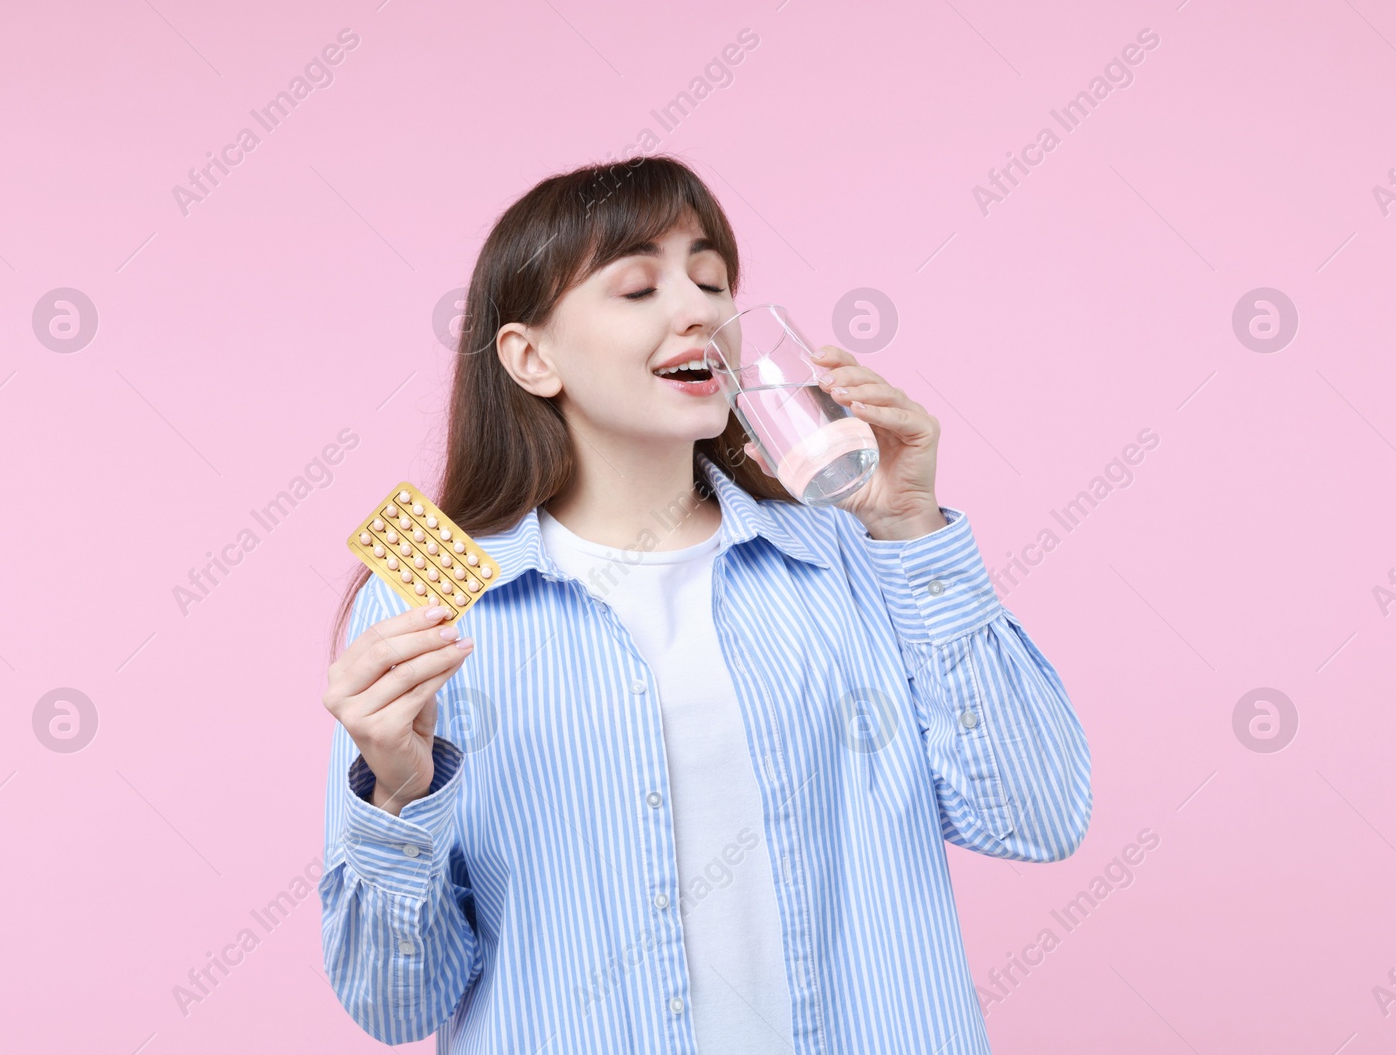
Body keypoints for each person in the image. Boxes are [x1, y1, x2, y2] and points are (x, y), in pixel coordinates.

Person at [317, 154, 1092, 1053]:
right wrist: (399, 790)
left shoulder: (848, 550)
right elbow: (396, 1007)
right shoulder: (430, 602)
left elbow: (1036, 816)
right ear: (531, 357)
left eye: (712, 278)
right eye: (639, 287)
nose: (698, 309)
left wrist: (915, 529)